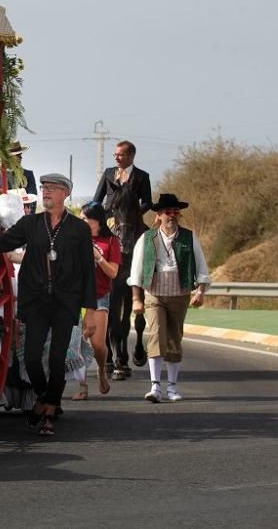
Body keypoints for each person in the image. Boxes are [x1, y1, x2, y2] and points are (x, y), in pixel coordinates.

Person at [0, 173, 96, 436]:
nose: (46, 192)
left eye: (53, 188)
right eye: (45, 188)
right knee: (34, 360)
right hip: (36, 302)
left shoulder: (79, 229)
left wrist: (90, 311)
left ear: (65, 194)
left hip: (65, 303)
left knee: (58, 360)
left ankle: (49, 410)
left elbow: (88, 272)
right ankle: (44, 398)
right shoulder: (30, 224)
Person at [128, 193, 210, 403]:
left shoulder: (188, 237)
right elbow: (136, 271)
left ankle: (172, 387)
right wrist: (136, 299)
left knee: (174, 338)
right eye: (167, 212)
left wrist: (200, 291)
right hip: (154, 295)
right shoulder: (146, 239)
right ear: (159, 215)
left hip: (179, 294)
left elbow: (201, 265)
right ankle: (155, 387)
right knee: (156, 335)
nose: (172, 216)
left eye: (175, 212)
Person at [92, 140, 153, 379]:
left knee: (152, 241)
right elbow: (98, 199)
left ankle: (150, 276)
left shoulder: (141, 176)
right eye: (115, 154)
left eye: (121, 155)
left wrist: (136, 211)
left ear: (131, 156)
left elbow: (147, 201)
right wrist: (106, 216)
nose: (116, 158)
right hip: (110, 222)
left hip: (133, 220)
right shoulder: (108, 174)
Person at [73, 203, 121, 399]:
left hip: (100, 296)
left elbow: (113, 272)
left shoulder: (111, 241)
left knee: (97, 344)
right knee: (77, 344)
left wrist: (99, 258)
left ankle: (101, 369)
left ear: (97, 221)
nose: (83, 222)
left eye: (86, 219)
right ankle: (82, 387)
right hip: (76, 296)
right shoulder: (75, 239)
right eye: (81, 218)